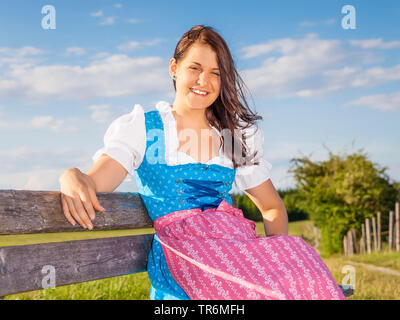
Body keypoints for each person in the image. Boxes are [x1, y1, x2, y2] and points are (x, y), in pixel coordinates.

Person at [59, 25, 346, 300]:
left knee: (304, 269)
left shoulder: (233, 137)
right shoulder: (144, 129)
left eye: (215, 73)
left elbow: (271, 207)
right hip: (186, 259)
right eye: (194, 68)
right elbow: (98, 179)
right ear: (174, 68)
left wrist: (274, 262)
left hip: (235, 252)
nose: (203, 81)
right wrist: (72, 175)